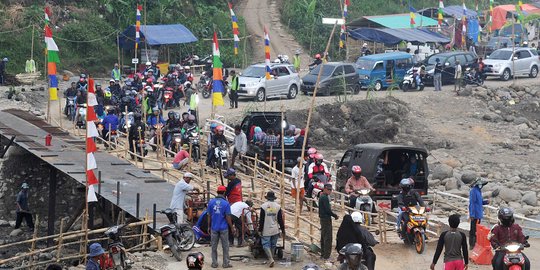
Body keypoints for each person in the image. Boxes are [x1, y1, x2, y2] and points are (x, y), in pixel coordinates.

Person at [208, 185, 234, 268]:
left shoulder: (211, 202)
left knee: (214, 246)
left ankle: (214, 263)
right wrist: (232, 227)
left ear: (217, 192)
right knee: (225, 246)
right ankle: (226, 263)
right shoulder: (226, 203)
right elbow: (228, 217)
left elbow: (209, 215)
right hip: (223, 228)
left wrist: (208, 226)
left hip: (214, 228)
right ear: (224, 193)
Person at [259, 191, 285, 268]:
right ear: (274, 198)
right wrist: (283, 229)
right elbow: (280, 219)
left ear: (267, 198)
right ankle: (272, 258)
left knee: (265, 244)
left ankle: (270, 259)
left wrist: (260, 230)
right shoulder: (277, 206)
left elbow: (262, 220)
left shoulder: (264, 206)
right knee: (273, 245)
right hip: (275, 229)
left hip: (266, 228)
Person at [319, 183, 339, 261]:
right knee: (327, 237)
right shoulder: (324, 197)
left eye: (331, 190)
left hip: (323, 218)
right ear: (325, 189)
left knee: (323, 236)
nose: (330, 191)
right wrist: (335, 215)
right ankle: (326, 255)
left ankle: (323, 254)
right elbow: (328, 210)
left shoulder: (323, 196)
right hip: (326, 219)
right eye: (329, 190)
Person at [468, 177, 489, 248]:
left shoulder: (479, 191)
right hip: (475, 214)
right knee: (473, 230)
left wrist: (485, 202)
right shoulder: (473, 191)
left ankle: (475, 244)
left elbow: (479, 202)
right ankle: (472, 244)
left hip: (479, 214)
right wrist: (472, 214)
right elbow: (472, 203)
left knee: (477, 230)